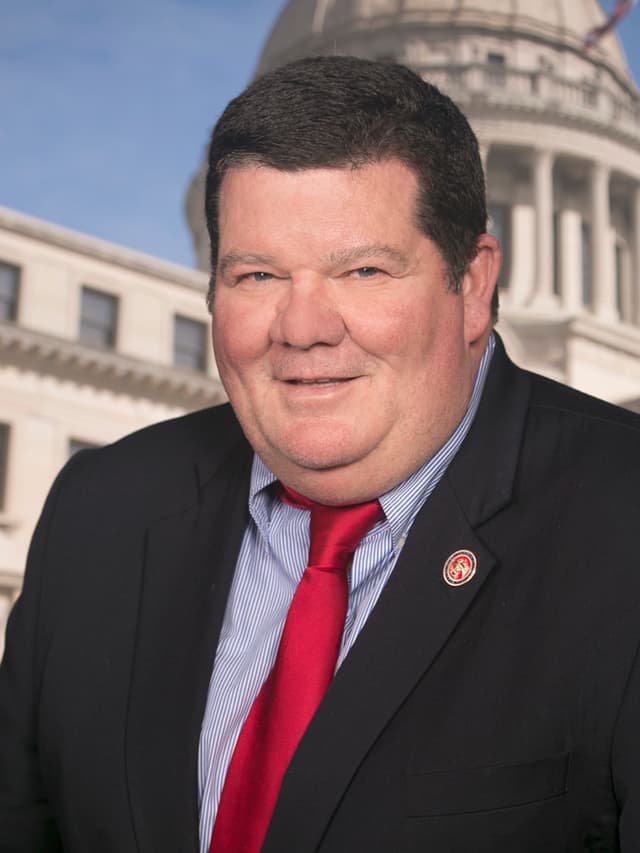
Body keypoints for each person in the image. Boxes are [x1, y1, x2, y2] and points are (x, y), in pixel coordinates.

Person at [1, 55, 640, 853]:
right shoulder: (98, 512)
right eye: (258, 273)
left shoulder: (623, 521)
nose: (302, 328)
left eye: (364, 269)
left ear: (472, 285)